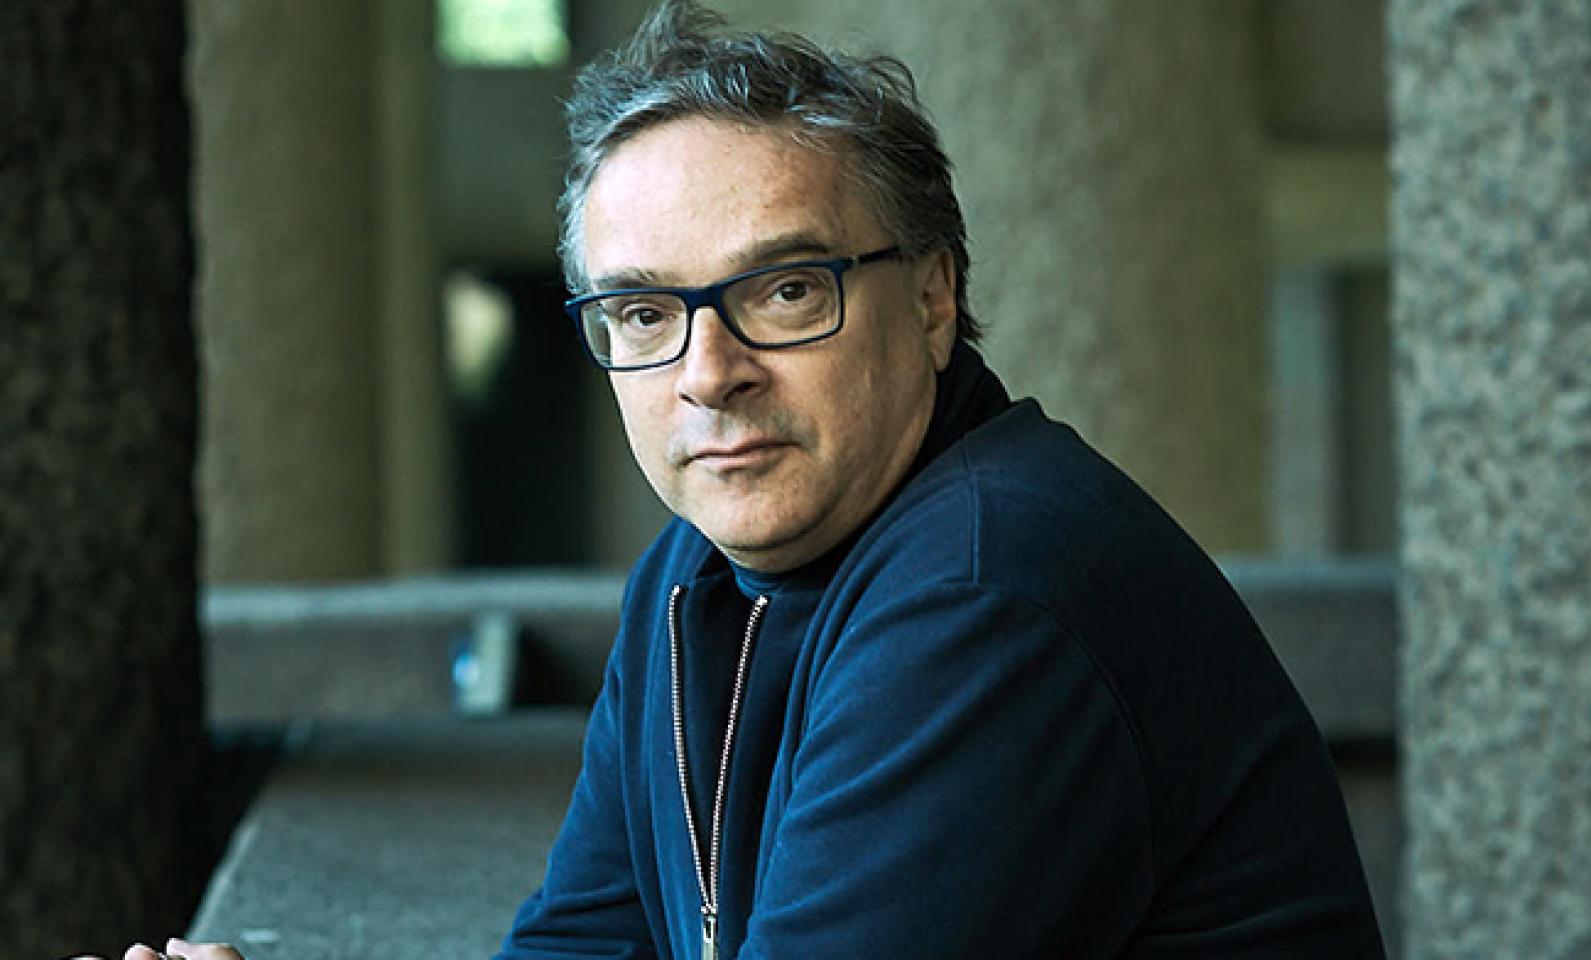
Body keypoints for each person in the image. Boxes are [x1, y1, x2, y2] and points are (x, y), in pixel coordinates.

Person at [117, 1, 1385, 957]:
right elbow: (582, 949)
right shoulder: (693, 577)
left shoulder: (985, 595)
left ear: (932, 300)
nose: (707, 373)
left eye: (782, 292)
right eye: (640, 313)